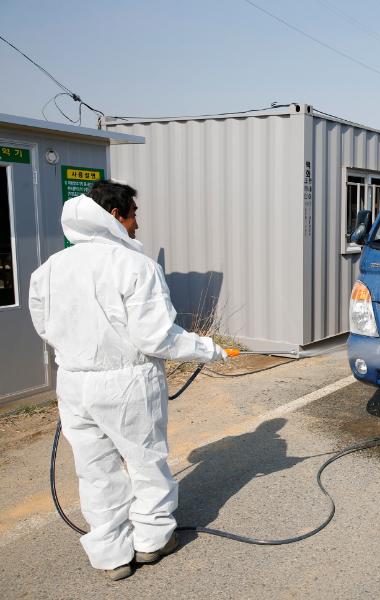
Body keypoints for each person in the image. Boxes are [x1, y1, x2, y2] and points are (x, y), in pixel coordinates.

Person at [28, 181, 227, 581]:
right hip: (126, 383)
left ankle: (112, 554)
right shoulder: (135, 266)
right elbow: (156, 337)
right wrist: (209, 349)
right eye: (132, 215)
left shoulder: (49, 268)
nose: (136, 224)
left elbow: (43, 326)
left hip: (73, 383)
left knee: (95, 469)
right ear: (114, 217)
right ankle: (152, 541)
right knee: (145, 461)